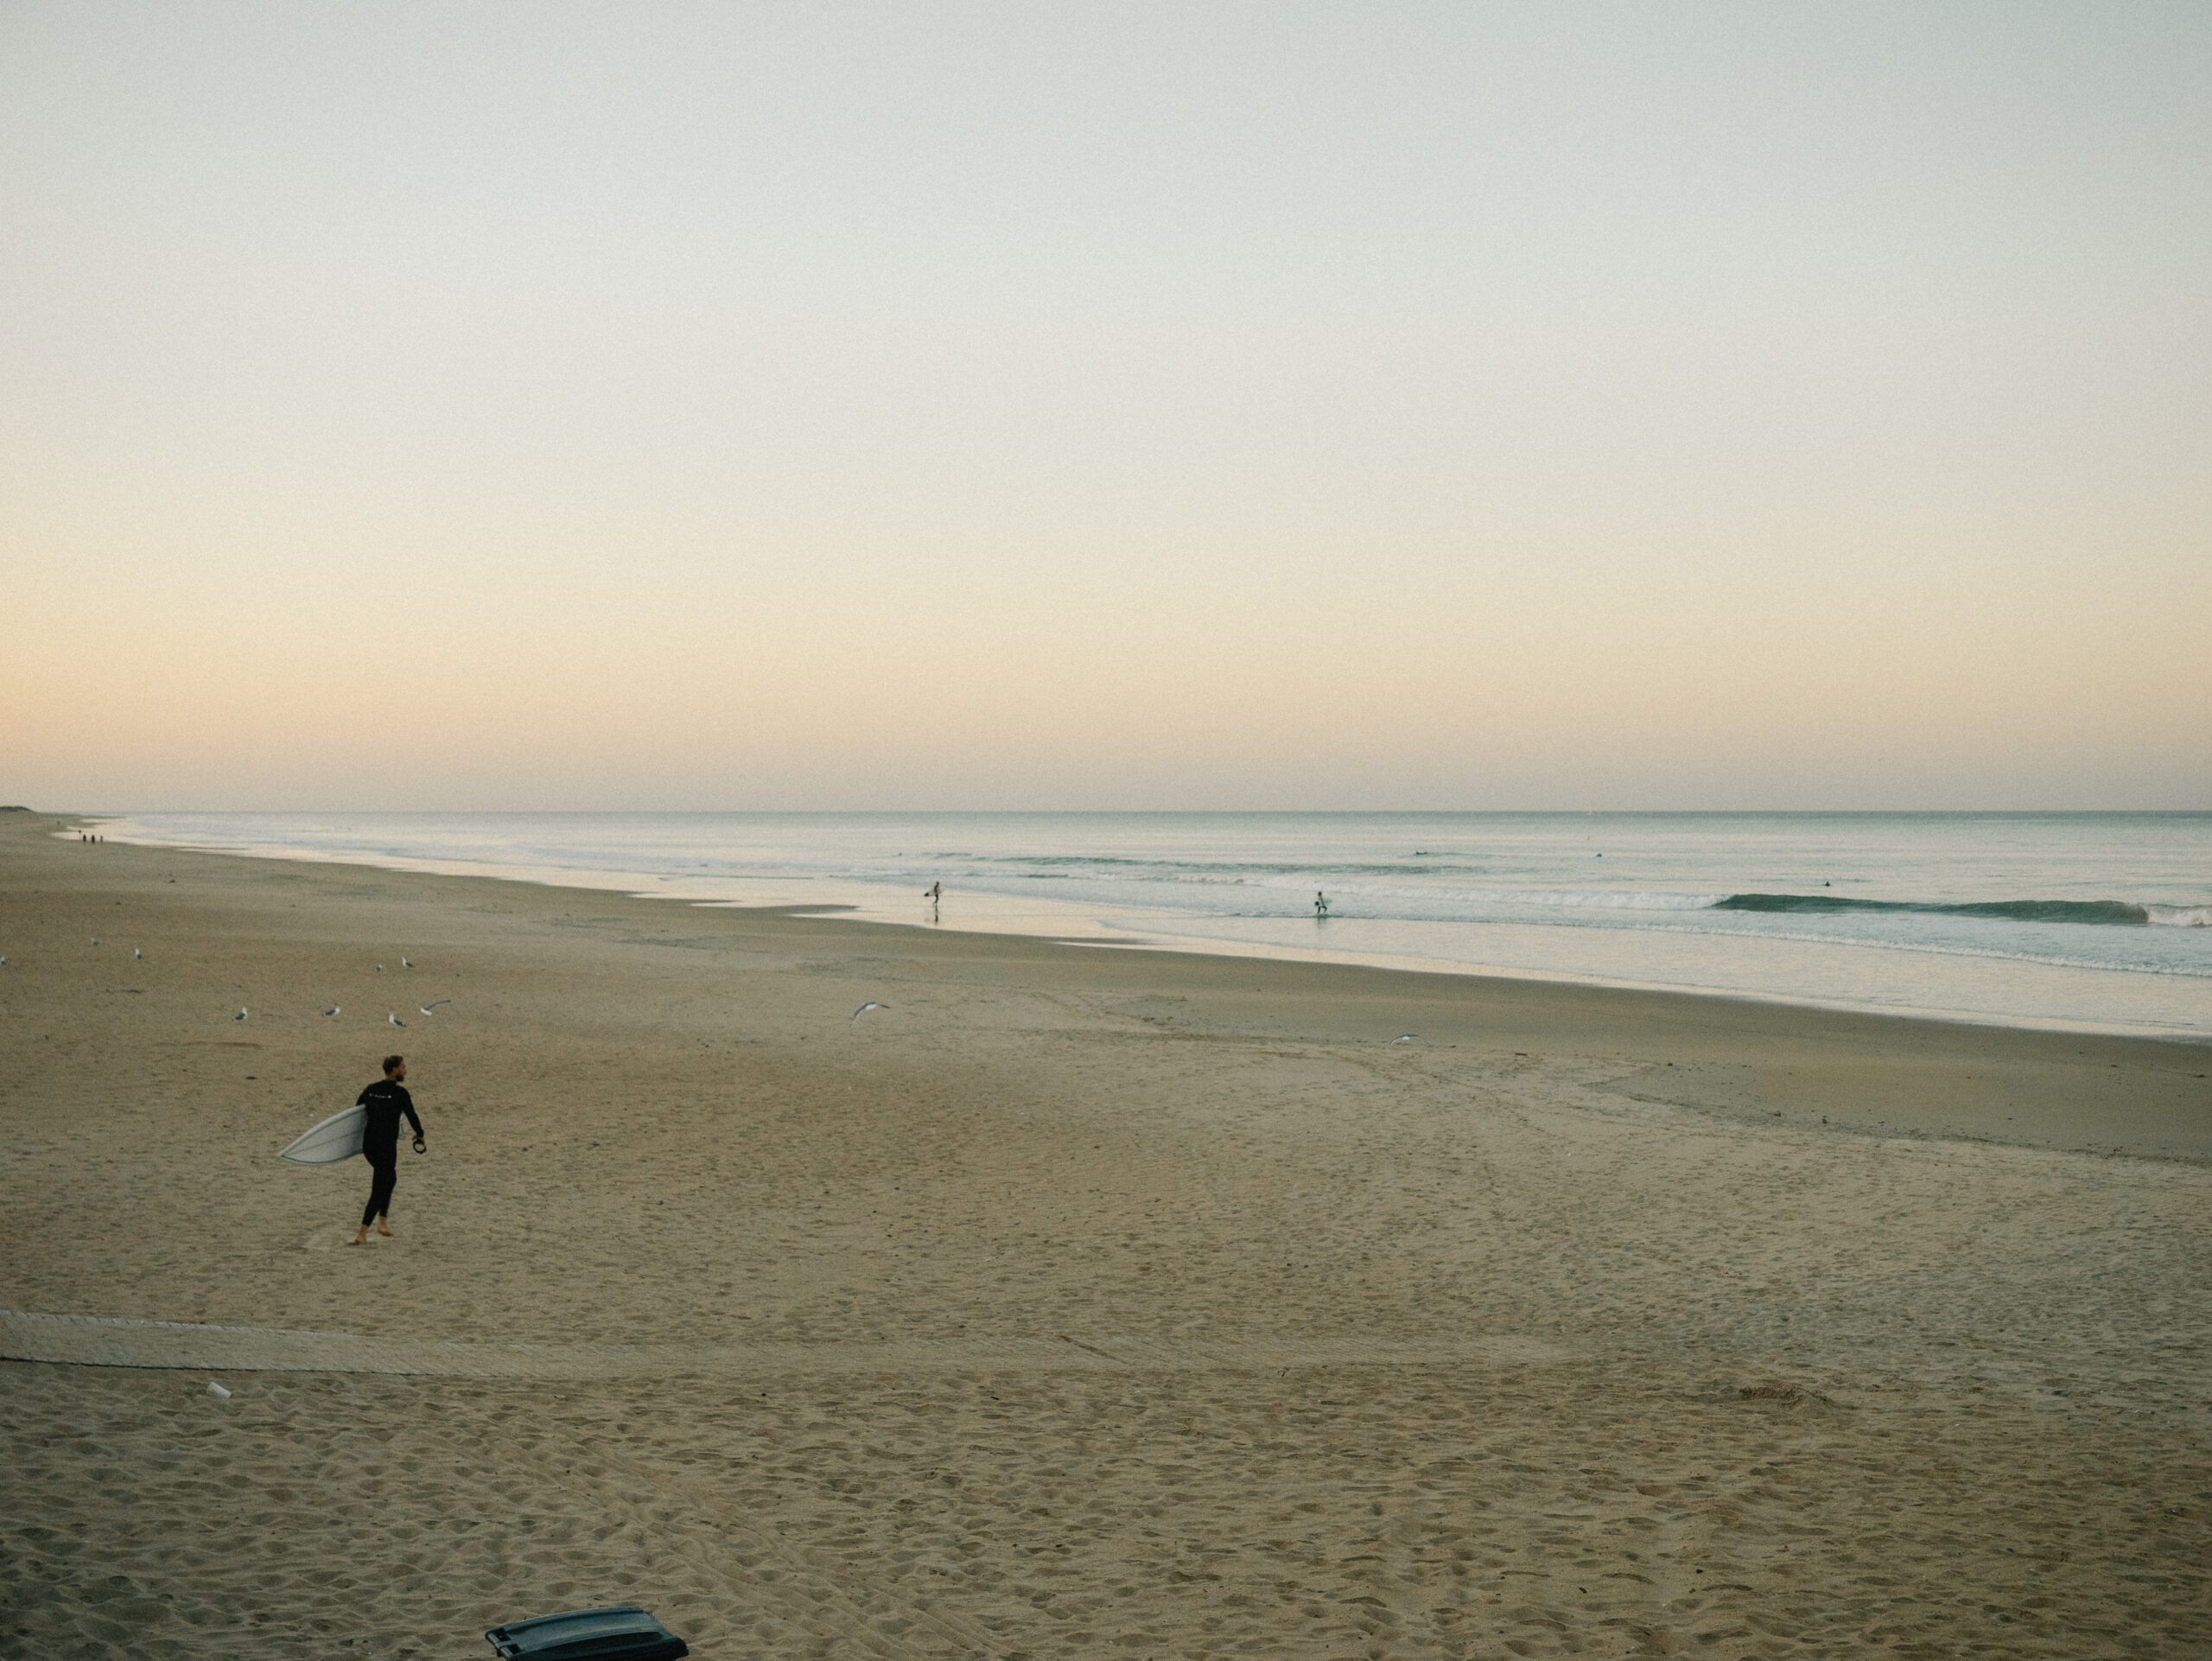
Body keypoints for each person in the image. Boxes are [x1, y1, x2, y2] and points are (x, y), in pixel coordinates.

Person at [352, 1054, 424, 1244]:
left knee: (390, 1178)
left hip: (369, 1146)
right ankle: (362, 1233)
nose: (405, 1070)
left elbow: (356, 1112)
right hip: (386, 1147)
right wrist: (420, 1134)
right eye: (402, 1067)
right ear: (393, 1070)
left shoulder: (371, 1090)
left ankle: (382, 1222)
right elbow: (412, 1115)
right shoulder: (401, 1094)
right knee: (381, 1185)